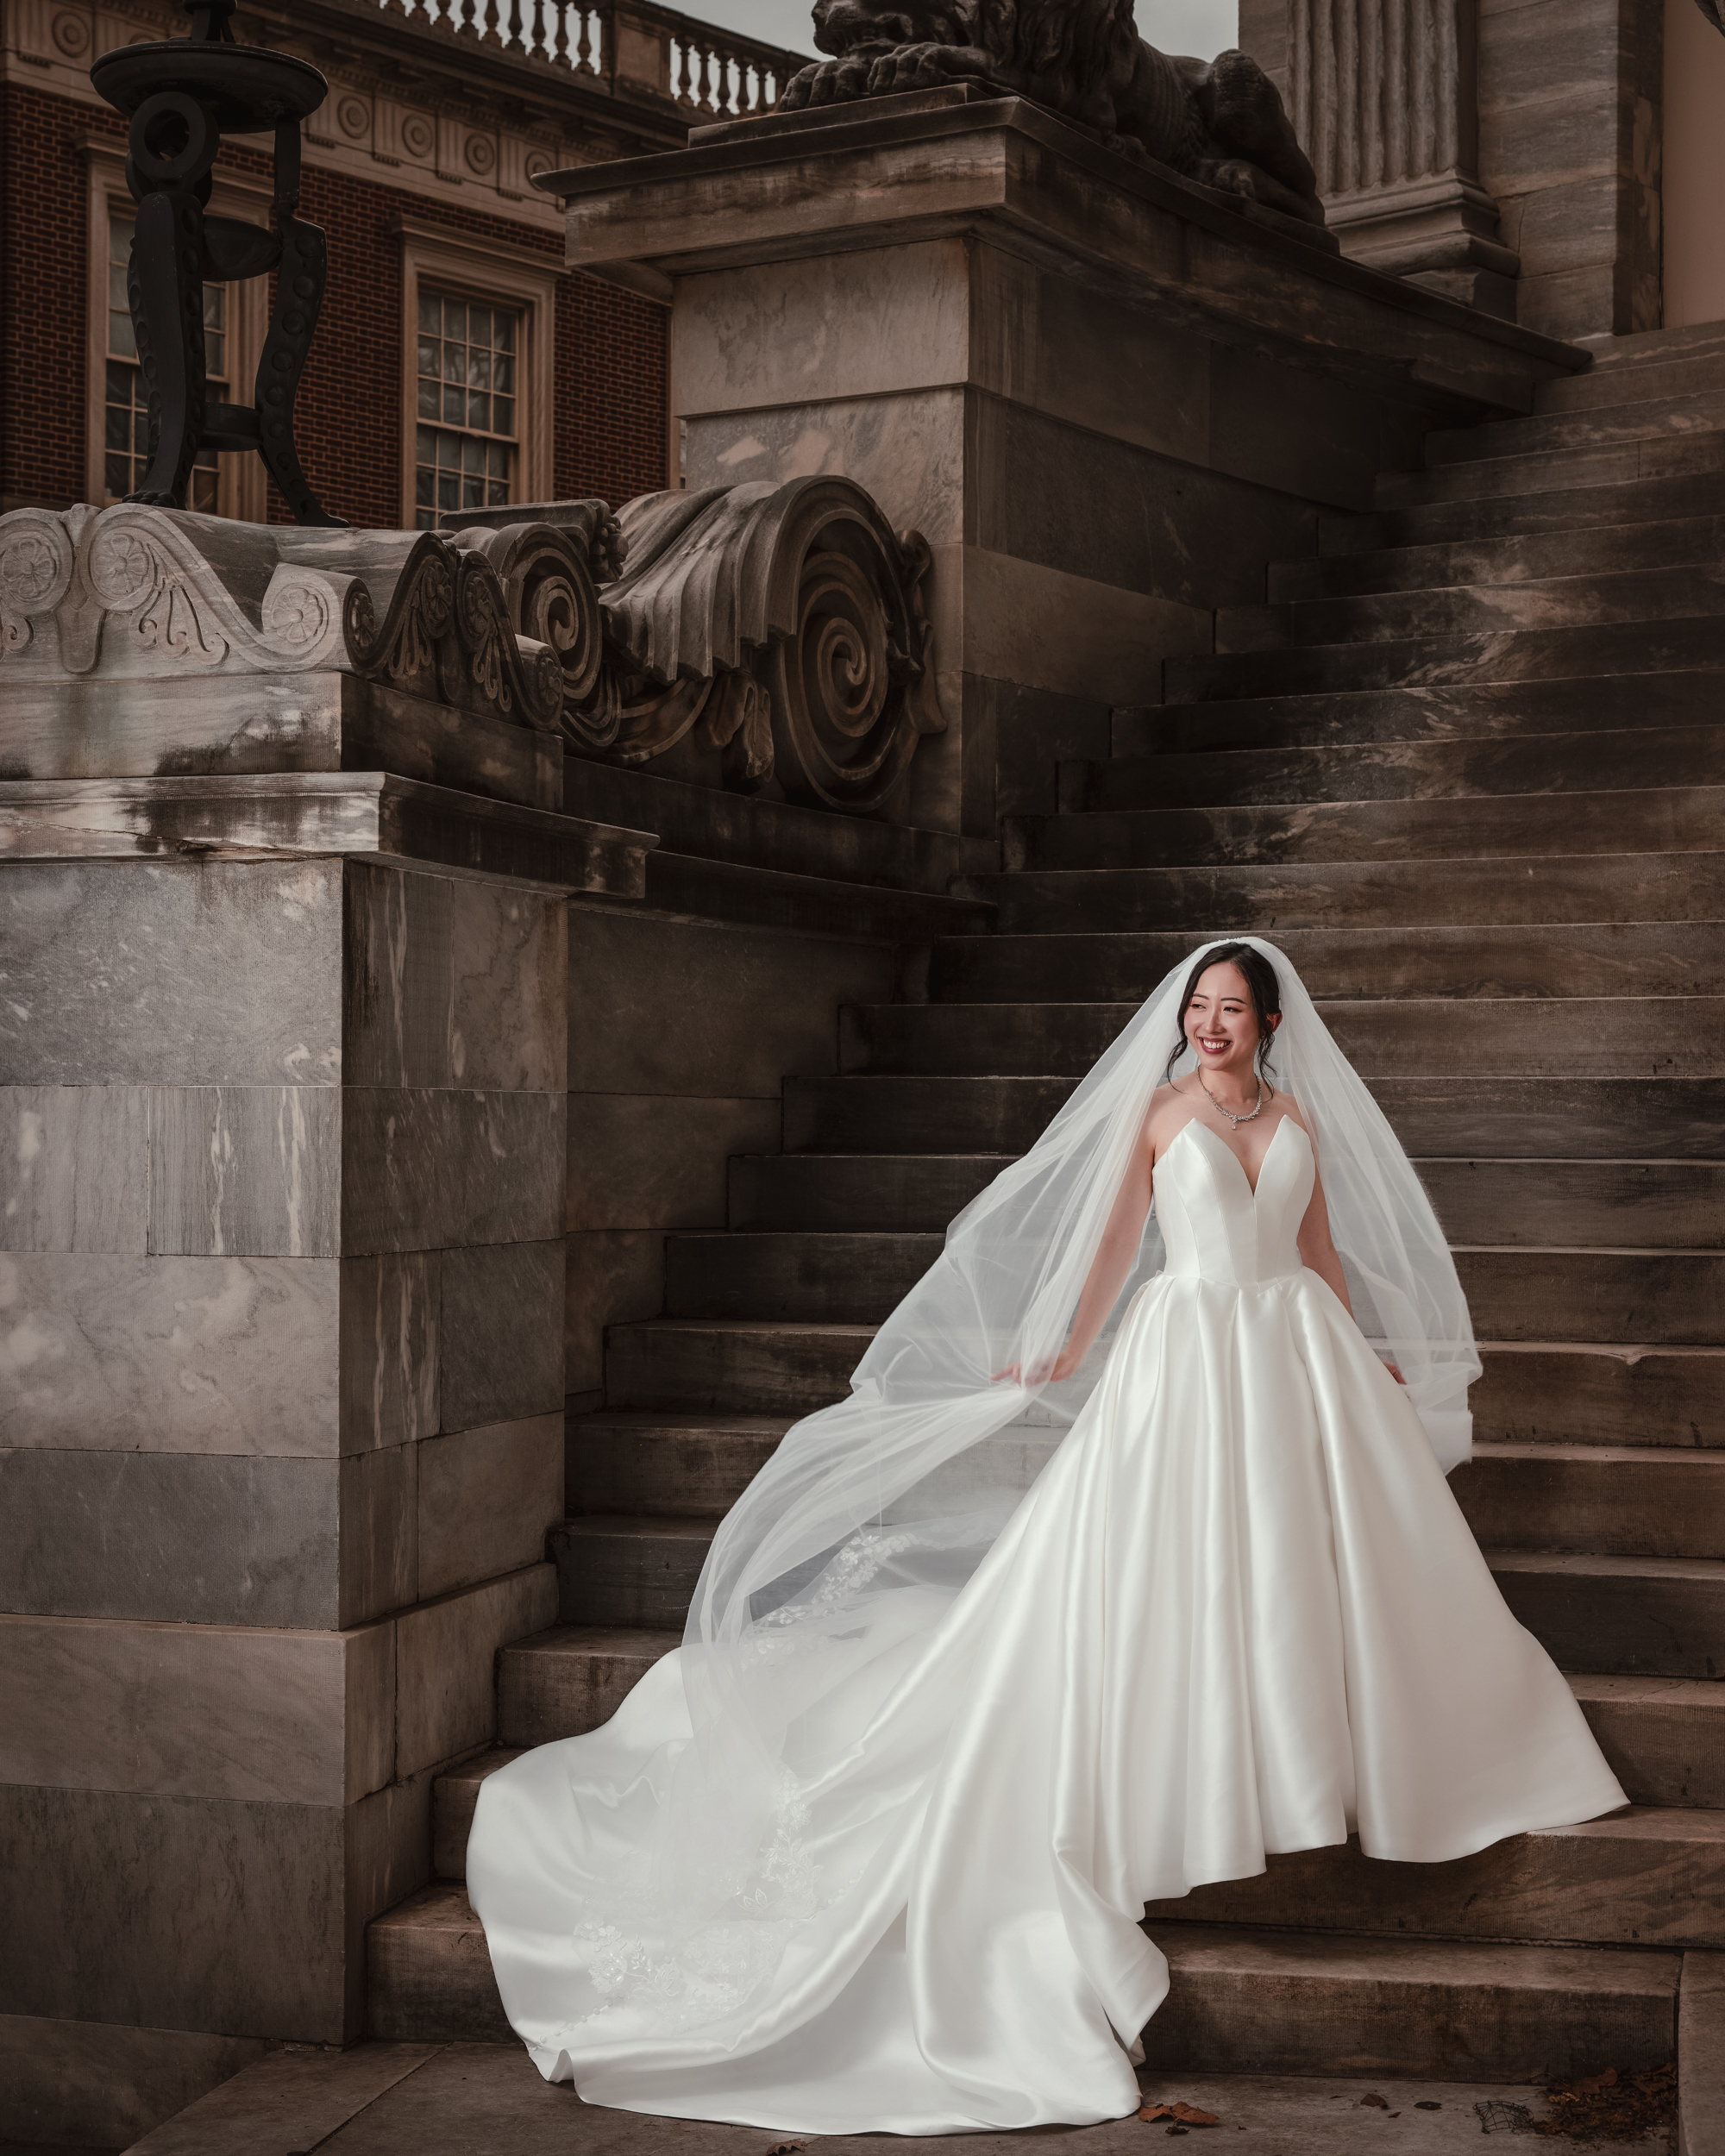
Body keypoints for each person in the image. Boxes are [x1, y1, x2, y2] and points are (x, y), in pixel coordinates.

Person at [467, 937, 1626, 2134]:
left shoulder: (1298, 1123)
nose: (1211, 1023)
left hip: (1296, 1356)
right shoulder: (1161, 1113)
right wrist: (1063, 1355)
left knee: (1323, 1574)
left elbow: (1317, 1253)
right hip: (1188, 1362)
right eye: (1199, 1006)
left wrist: (1369, 1350)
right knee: (1178, 1576)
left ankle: (1358, 1754)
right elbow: (1120, 1249)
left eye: (1232, 1009)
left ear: (1272, 1023)